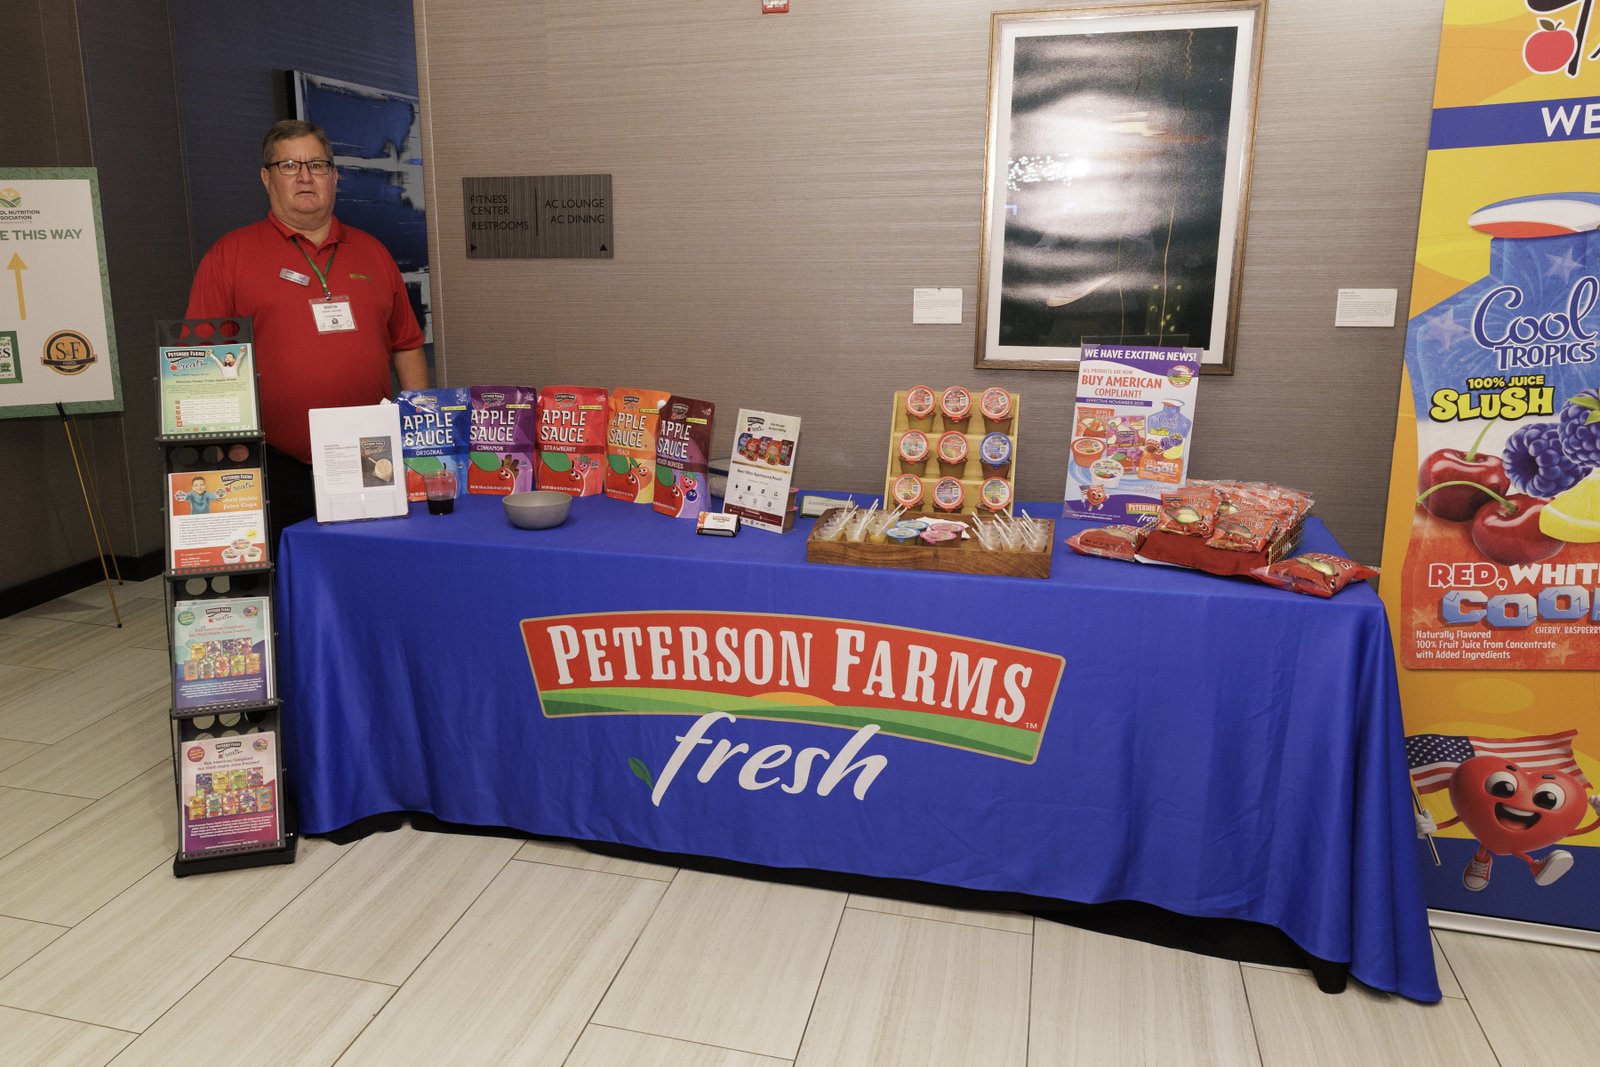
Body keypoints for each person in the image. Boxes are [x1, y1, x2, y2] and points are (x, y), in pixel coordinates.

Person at [186, 119, 429, 544]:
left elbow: (406, 344)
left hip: (369, 456)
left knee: (369, 564)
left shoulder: (373, 253)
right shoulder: (228, 257)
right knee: (280, 572)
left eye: (316, 165)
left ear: (334, 177)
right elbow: (203, 362)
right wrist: (228, 447)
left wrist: (418, 430)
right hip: (271, 463)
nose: (304, 176)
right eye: (288, 166)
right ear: (266, 179)